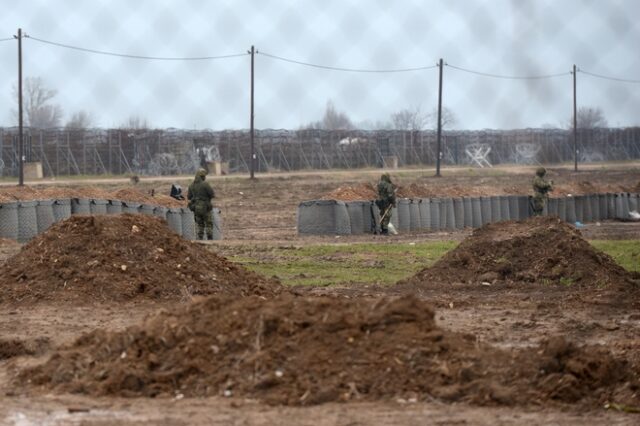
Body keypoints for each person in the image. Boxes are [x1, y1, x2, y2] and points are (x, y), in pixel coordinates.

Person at [187, 168, 215, 240]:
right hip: (205, 207)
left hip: (196, 207)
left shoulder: (191, 185)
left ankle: (200, 239)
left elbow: (189, 197)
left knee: (200, 224)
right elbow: (212, 194)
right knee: (208, 223)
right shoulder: (205, 184)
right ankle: (210, 239)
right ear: (203, 176)